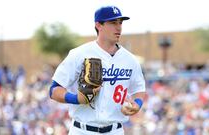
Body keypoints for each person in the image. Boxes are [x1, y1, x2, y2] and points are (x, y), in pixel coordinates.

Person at [49, 5, 146, 135]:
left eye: (120, 22)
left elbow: (139, 90)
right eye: (113, 23)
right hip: (82, 130)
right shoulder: (79, 54)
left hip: (115, 130)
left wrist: (137, 105)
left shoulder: (130, 60)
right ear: (98, 25)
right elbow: (54, 90)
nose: (119, 27)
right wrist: (76, 99)